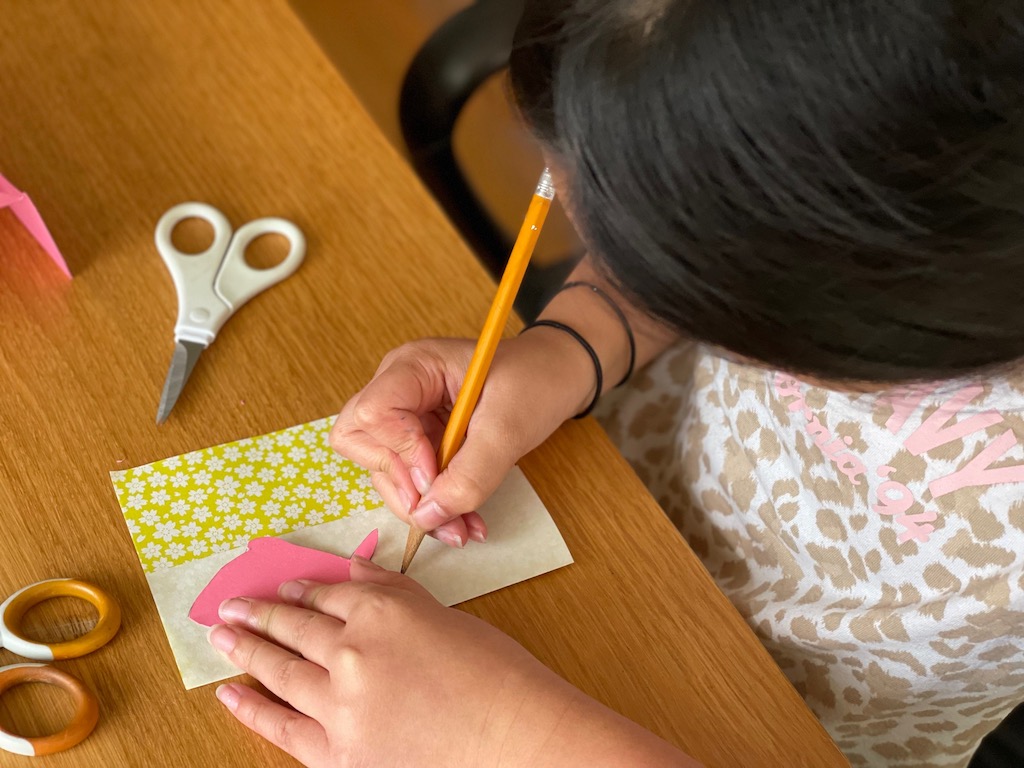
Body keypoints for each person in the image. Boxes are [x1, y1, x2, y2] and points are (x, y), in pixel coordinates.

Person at [205, 1, 1024, 766]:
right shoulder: (884, 202)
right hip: (625, 513)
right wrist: (574, 344)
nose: (566, 206)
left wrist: (501, 736)